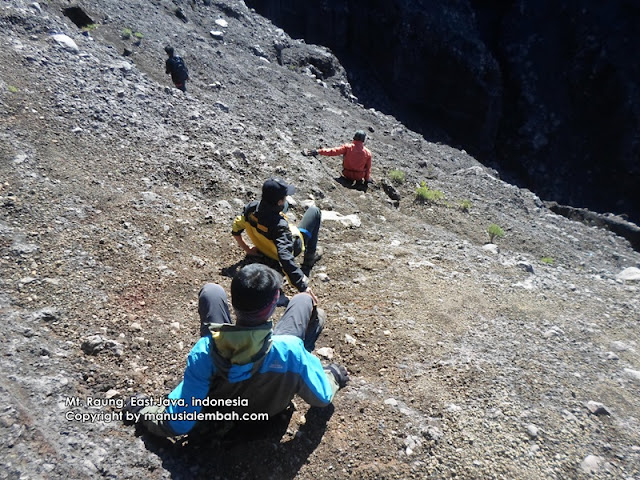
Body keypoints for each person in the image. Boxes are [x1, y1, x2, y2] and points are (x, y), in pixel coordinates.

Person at [124, 264, 348, 438]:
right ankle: (314, 317)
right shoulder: (290, 350)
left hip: (221, 403)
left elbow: (180, 422)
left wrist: (144, 411)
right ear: (273, 305)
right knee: (302, 300)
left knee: (211, 292)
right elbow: (321, 397)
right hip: (267, 411)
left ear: (234, 301)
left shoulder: (204, 352)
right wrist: (332, 376)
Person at [232, 178, 322, 291]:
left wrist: (248, 249)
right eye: (284, 197)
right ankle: (309, 259)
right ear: (279, 201)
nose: (286, 198)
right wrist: (302, 285)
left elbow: (236, 229)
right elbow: (285, 257)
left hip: (264, 247)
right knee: (315, 211)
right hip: (288, 247)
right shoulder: (280, 227)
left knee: (285, 206)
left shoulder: (251, 210)